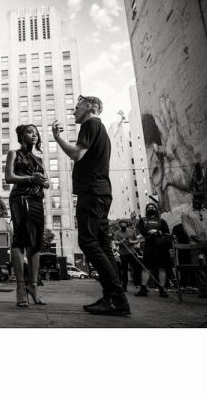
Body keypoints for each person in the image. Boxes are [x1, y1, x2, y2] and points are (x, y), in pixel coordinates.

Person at [52, 95, 131, 316]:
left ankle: (116, 297)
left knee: (87, 241)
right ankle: (113, 298)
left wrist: (57, 138)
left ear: (89, 106)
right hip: (101, 192)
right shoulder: (101, 128)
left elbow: (77, 154)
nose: (74, 111)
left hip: (92, 192)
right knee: (103, 245)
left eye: (77, 107)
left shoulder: (90, 124)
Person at [5, 124, 50, 307]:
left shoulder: (39, 159)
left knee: (36, 243)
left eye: (36, 133)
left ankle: (33, 286)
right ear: (22, 136)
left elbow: (47, 183)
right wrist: (31, 179)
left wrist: (43, 181)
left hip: (37, 201)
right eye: (30, 132)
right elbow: (9, 177)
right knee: (21, 240)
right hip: (20, 198)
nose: (34, 135)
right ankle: (21, 287)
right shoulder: (14, 154)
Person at [181, 193, 207, 297]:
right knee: (199, 268)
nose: (197, 201)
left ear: (202, 200)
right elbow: (188, 230)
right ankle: (204, 291)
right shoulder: (186, 214)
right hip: (196, 246)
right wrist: (201, 241)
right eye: (196, 199)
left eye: (199, 199)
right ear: (192, 200)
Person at [135, 202, 171, 298]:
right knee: (146, 267)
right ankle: (143, 289)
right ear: (146, 210)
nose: (150, 208)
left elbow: (167, 233)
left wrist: (157, 231)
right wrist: (152, 233)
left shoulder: (162, 221)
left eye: (152, 207)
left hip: (160, 246)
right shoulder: (142, 220)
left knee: (161, 268)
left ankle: (162, 289)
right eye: (148, 207)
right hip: (149, 246)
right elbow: (142, 231)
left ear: (156, 209)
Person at [113, 220, 139, 293]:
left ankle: (138, 283)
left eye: (124, 226)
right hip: (123, 254)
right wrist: (122, 241)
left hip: (132, 252)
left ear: (127, 225)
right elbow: (116, 242)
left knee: (136, 267)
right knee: (124, 270)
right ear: (120, 226)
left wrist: (131, 241)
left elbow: (137, 241)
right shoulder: (117, 232)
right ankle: (124, 286)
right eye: (122, 226)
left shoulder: (132, 231)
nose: (123, 227)